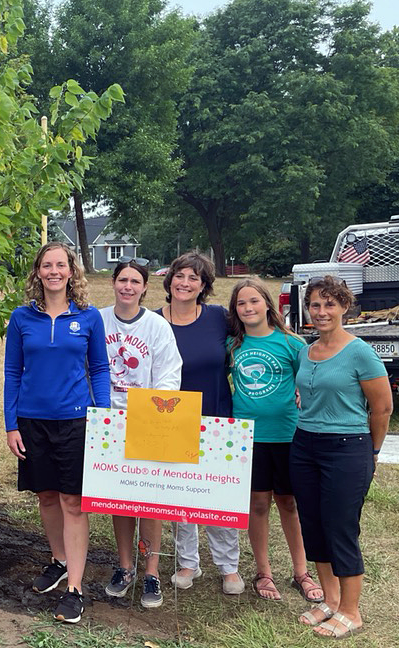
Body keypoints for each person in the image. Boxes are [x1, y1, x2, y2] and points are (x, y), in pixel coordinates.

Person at [3, 241, 111, 624]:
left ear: (71, 271)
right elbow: (12, 371)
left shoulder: (88, 316)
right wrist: (11, 424)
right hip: (32, 422)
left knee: (73, 503)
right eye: (46, 265)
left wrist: (104, 417)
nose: (53, 271)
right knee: (46, 496)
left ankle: (75, 589)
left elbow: (98, 368)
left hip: (76, 421)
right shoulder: (21, 318)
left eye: (60, 264)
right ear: (37, 272)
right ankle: (60, 561)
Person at [291, 276, 391, 638]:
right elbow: (307, 393)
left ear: (344, 307)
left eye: (329, 304)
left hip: (347, 447)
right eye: (315, 305)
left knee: (340, 526)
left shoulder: (359, 351)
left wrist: (373, 451)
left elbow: (382, 408)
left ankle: (351, 610)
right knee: (313, 523)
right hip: (304, 446)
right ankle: (330, 600)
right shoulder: (306, 350)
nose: (321, 312)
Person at [227, 279, 323, 603]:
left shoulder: (290, 343)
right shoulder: (232, 344)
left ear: (267, 304)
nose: (248, 308)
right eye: (241, 303)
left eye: (254, 301)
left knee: (289, 503)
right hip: (248, 437)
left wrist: (302, 394)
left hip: (287, 434)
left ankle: (301, 572)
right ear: (235, 310)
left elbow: (311, 378)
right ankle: (263, 572)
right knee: (257, 504)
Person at [157, 251, 245, 595]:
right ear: (169, 280)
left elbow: (256, 339)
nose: (185, 283)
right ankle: (187, 562)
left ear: (204, 286)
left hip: (216, 415)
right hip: (171, 419)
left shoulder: (219, 318)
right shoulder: (153, 321)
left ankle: (228, 566)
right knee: (182, 494)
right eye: (180, 275)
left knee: (217, 491)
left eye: (195, 278)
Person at [100, 258, 182, 608]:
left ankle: (151, 572)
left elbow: (168, 371)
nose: (128, 286)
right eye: (122, 280)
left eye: (135, 281)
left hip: (147, 420)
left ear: (145, 287)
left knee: (149, 501)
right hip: (108, 420)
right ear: (114, 283)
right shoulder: (98, 320)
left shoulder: (157, 326)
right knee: (120, 500)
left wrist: (153, 410)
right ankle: (124, 566)